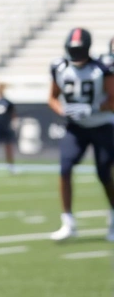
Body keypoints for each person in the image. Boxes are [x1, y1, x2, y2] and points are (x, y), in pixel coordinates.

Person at [47, 27, 114, 242]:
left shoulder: (101, 69)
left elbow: (113, 100)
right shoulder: (59, 67)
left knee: (104, 174)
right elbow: (52, 98)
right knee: (65, 168)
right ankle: (68, 222)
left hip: (102, 125)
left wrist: (94, 109)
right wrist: (63, 111)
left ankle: (113, 218)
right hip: (75, 127)